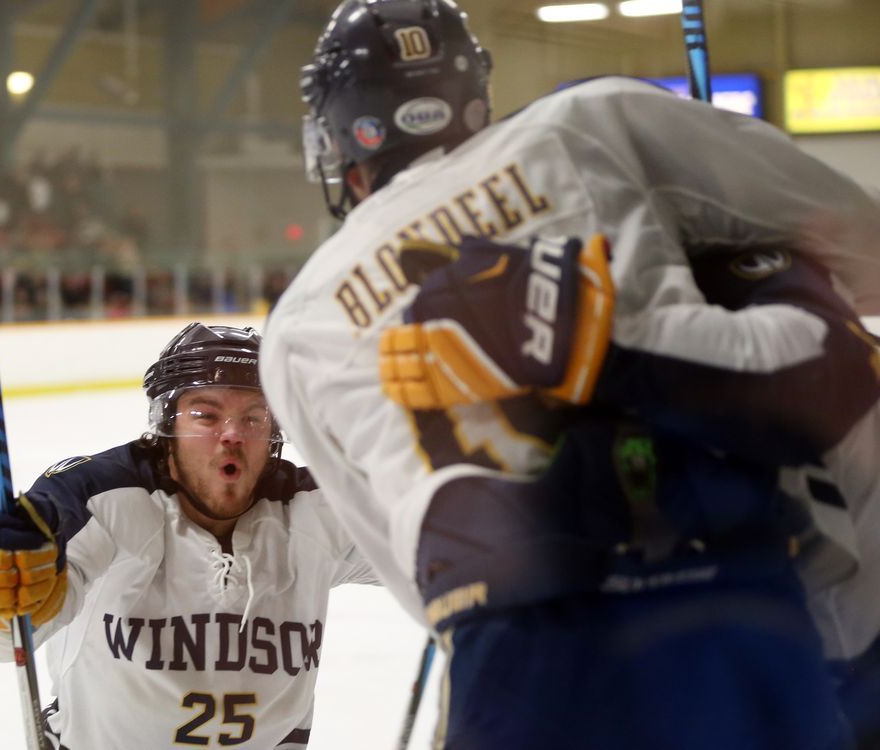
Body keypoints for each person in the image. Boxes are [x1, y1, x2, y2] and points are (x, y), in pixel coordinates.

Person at [260, 1, 880, 748]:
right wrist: (744, 275)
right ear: (474, 93)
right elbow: (861, 242)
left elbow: (416, 578)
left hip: (508, 656)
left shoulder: (298, 325)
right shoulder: (589, 122)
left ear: (342, 135)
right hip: (723, 600)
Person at [0, 323, 376, 749]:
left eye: (253, 417)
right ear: (165, 423)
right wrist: (9, 603)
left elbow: (417, 553)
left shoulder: (314, 510)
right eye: (206, 415)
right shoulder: (103, 499)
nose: (232, 434)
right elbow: (9, 641)